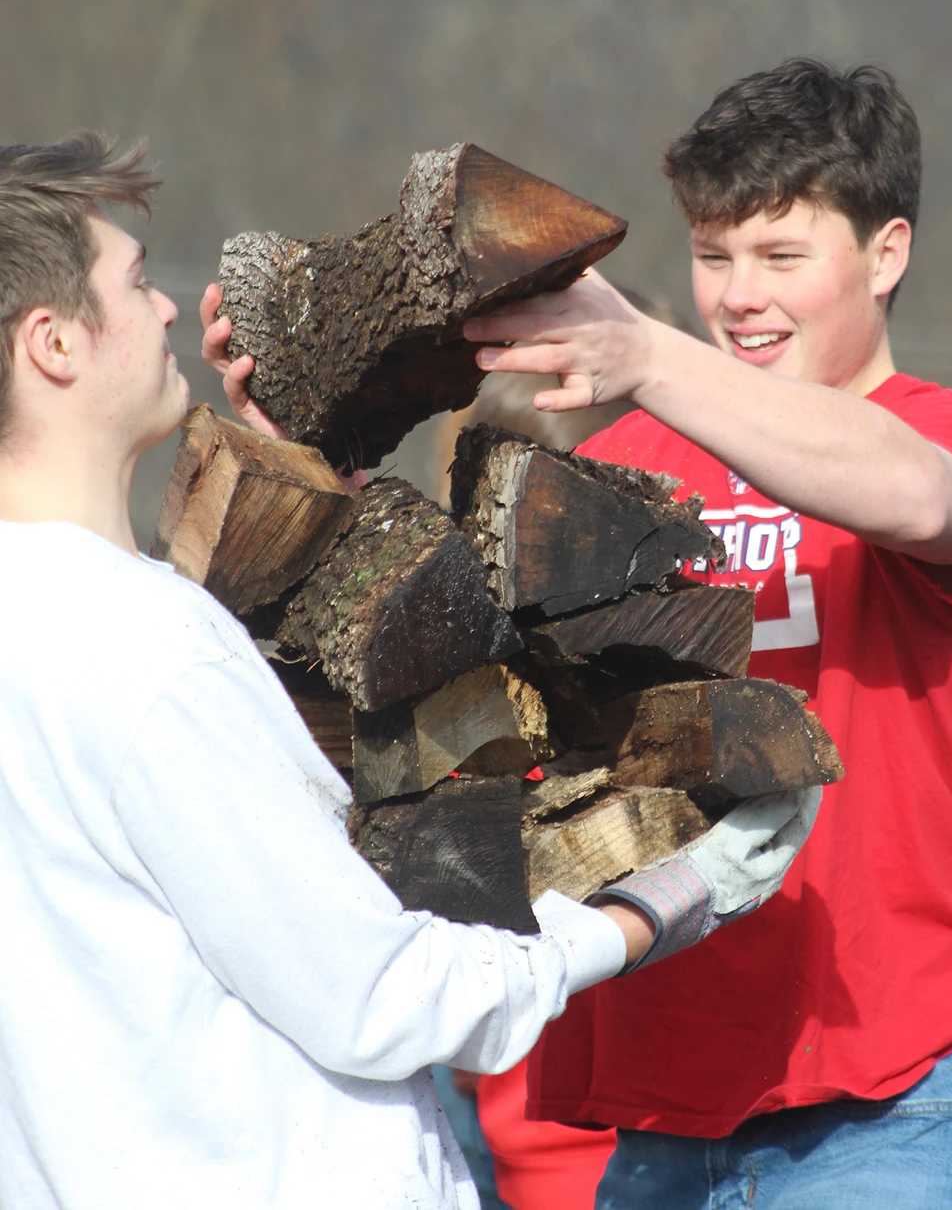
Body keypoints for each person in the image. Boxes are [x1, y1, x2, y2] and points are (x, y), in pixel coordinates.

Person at [0, 132, 815, 1210]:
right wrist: (656, 906)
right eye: (136, 283)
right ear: (52, 343)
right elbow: (381, 998)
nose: (163, 311)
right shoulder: (152, 650)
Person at [460, 58, 952, 1209]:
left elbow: (917, 502)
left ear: (887, 253)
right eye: (712, 258)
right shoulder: (623, 476)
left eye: (781, 257)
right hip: (658, 1109)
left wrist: (654, 355)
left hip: (895, 1101)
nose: (738, 296)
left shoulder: (951, 439)